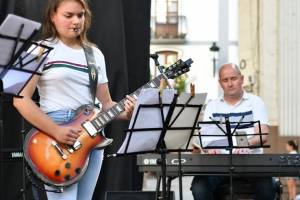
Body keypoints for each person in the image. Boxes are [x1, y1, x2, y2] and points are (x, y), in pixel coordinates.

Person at [13, 0, 136, 199]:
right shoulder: (39, 49)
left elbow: (107, 105)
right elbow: (20, 99)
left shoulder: (94, 54)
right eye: (68, 15)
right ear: (52, 16)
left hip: (92, 137)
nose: (76, 21)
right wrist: (57, 131)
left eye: (80, 15)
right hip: (55, 136)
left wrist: (128, 112)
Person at [190, 63, 275, 200]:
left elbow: (263, 134)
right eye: (225, 80)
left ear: (241, 79)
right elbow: (205, 139)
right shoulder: (212, 106)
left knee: (267, 189)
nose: (230, 84)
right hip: (220, 162)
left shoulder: (256, 102)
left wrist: (245, 144)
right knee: (199, 187)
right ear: (220, 83)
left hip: (251, 161)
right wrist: (209, 149)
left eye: (233, 78)